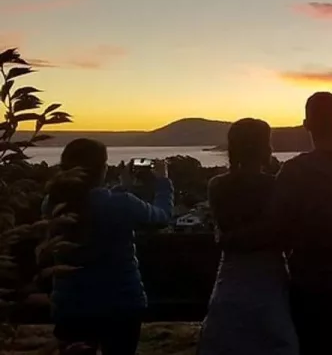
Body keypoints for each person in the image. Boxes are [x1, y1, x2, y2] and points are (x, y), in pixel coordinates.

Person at [224, 92, 332, 355]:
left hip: (307, 279)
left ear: (306, 124)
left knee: (309, 346)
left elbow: (275, 226)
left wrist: (233, 239)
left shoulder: (294, 171)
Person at [42, 139, 173, 355]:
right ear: (102, 169)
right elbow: (162, 217)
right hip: (120, 305)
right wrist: (163, 182)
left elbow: (89, 201)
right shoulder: (122, 204)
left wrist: (123, 187)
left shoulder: (52, 204)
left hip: (71, 307)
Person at [196, 119, 298, 355]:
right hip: (269, 276)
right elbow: (284, 231)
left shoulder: (217, 185)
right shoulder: (276, 186)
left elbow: (224, 233)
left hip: (231, 275)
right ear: (264, 148)